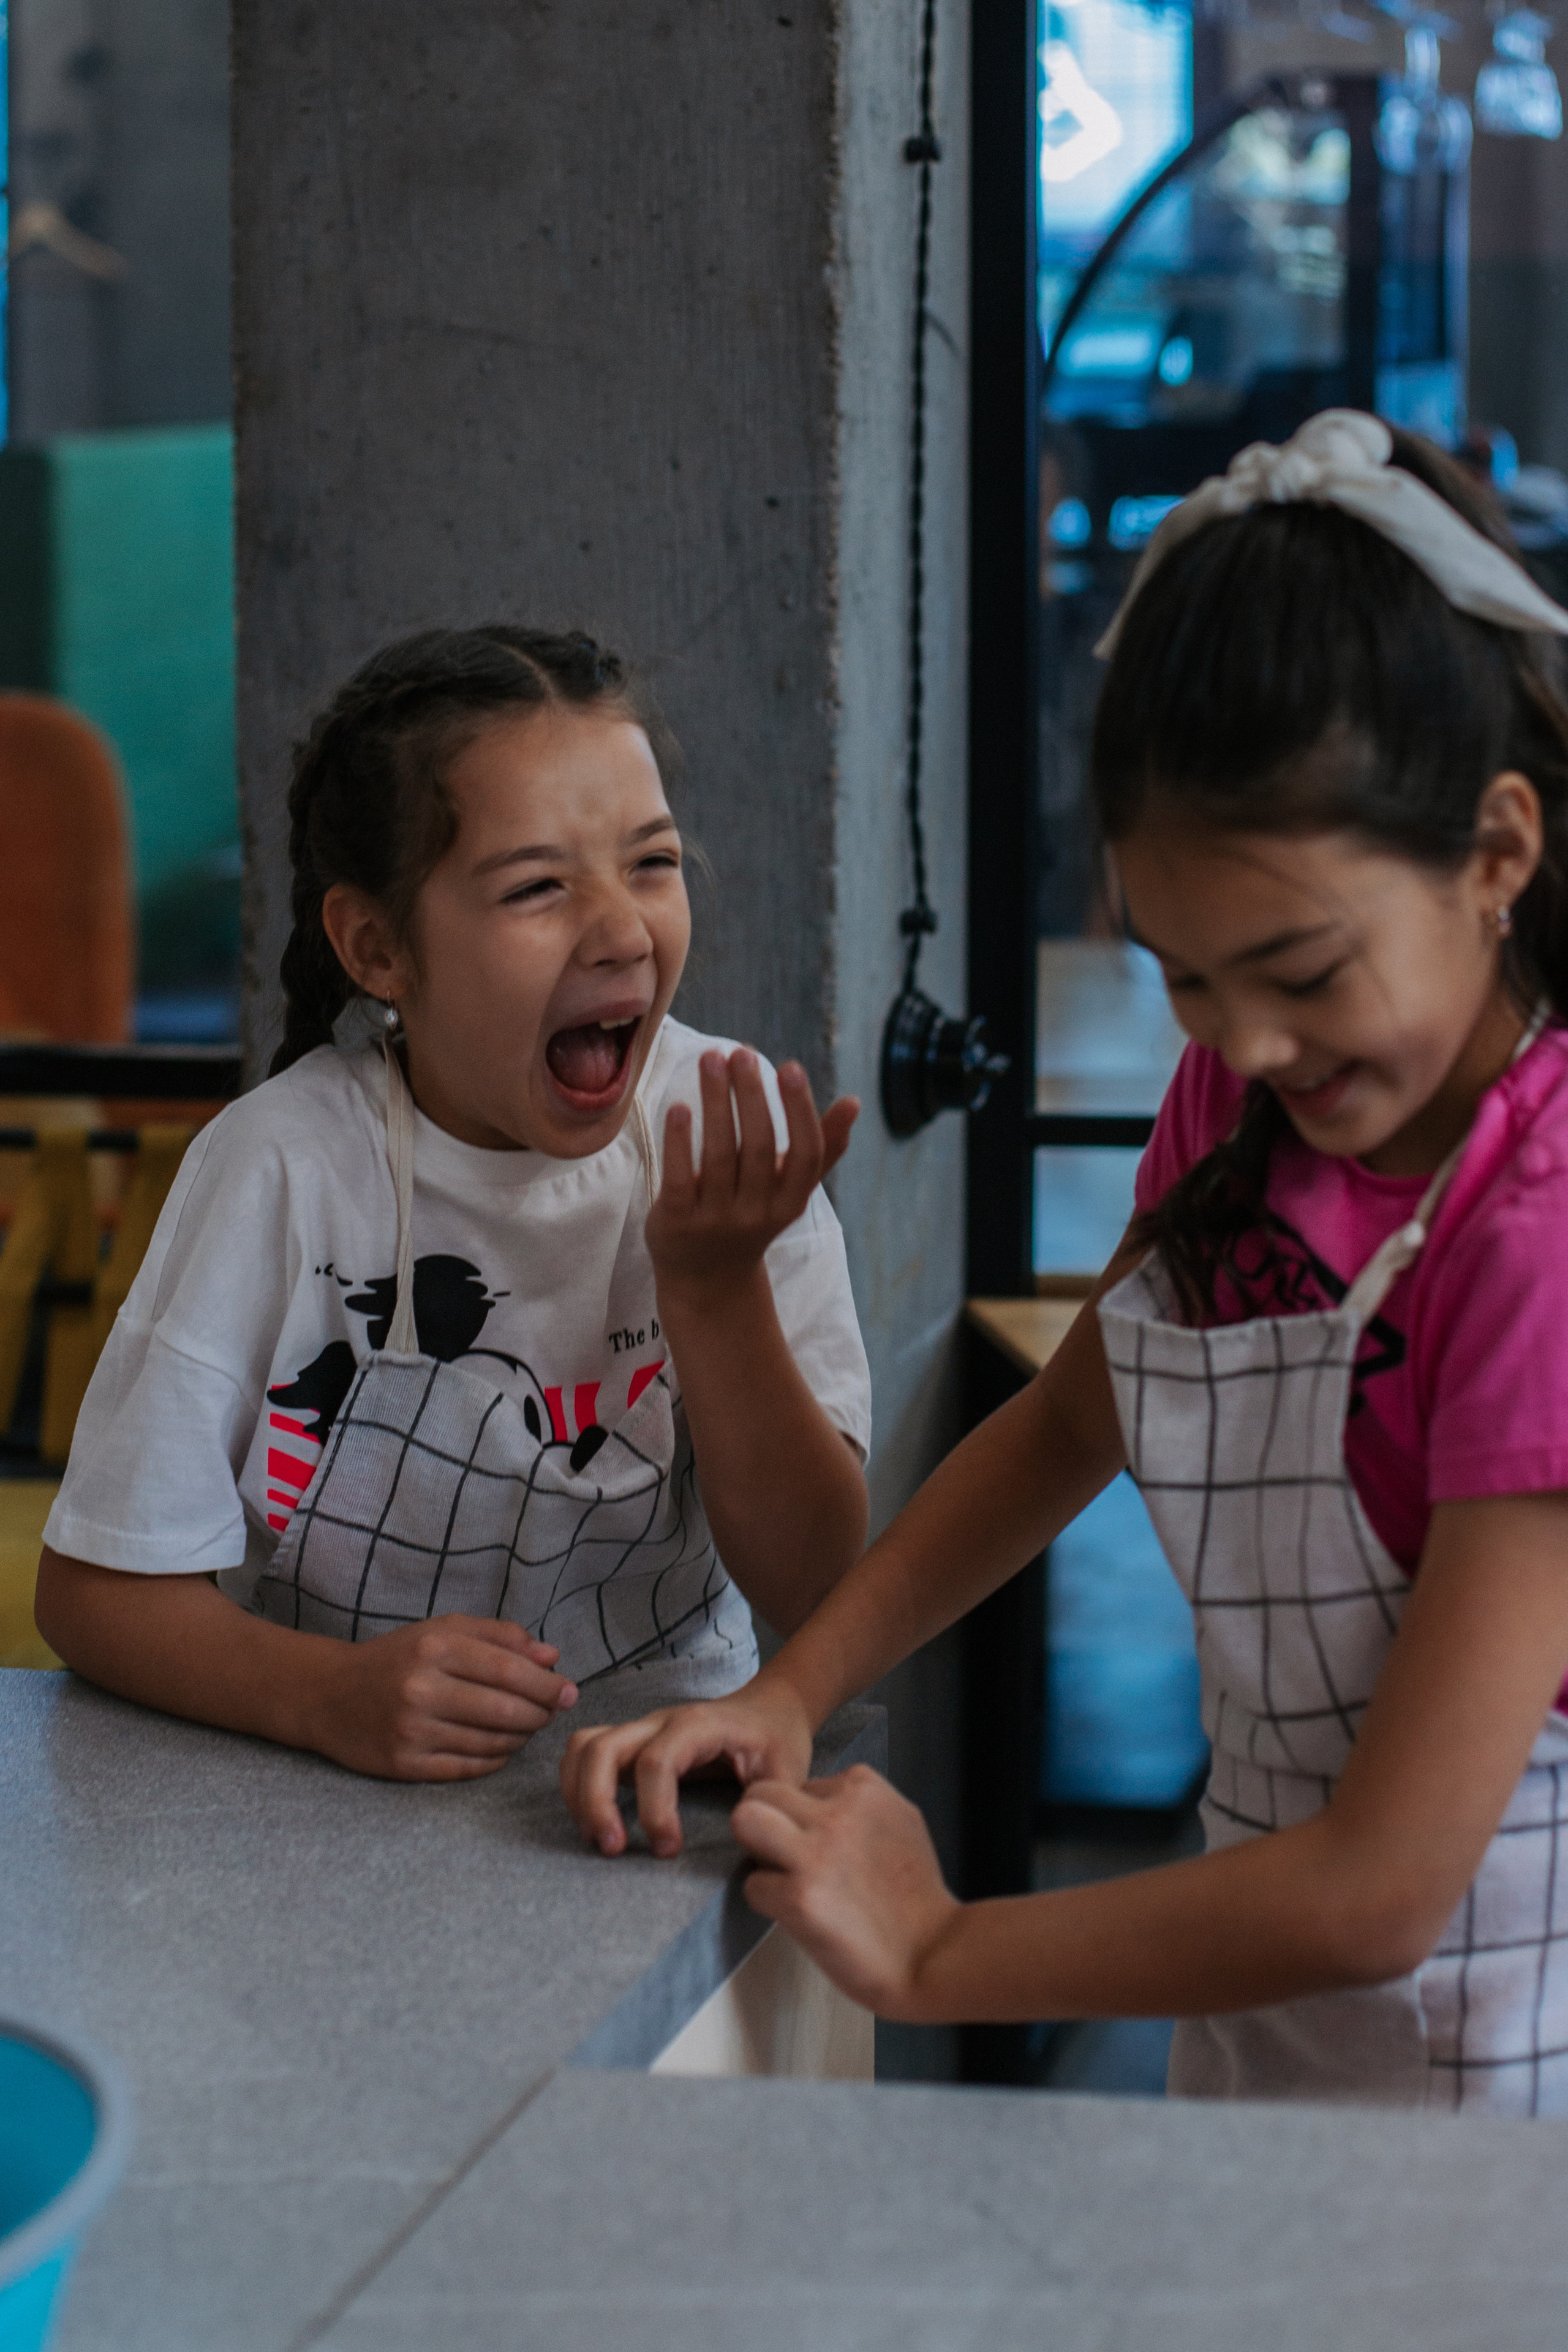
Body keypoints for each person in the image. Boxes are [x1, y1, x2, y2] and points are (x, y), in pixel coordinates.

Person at [562, 413, 1568, 2114]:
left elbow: (1388, 1885)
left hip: (1503, 2058)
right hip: (1268, 1996)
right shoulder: (1246, 1115)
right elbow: (1058, 1436)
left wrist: (942, 1954)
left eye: (1304, 970)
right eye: (1183, 976)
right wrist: (793, 1690)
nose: (1245, 1039)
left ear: (1496, 857)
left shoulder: (1533, 1232)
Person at [35, 627, 871, 1781]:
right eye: (537, 887)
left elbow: (818, 1580)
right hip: (316, 1804)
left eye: (653, 862)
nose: (624, 931)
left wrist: (716, 1293)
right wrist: (328, 1697)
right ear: (377, 947)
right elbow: (94, 1594)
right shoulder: (280, 1169)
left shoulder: (726, 1148)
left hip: (659, 1780)